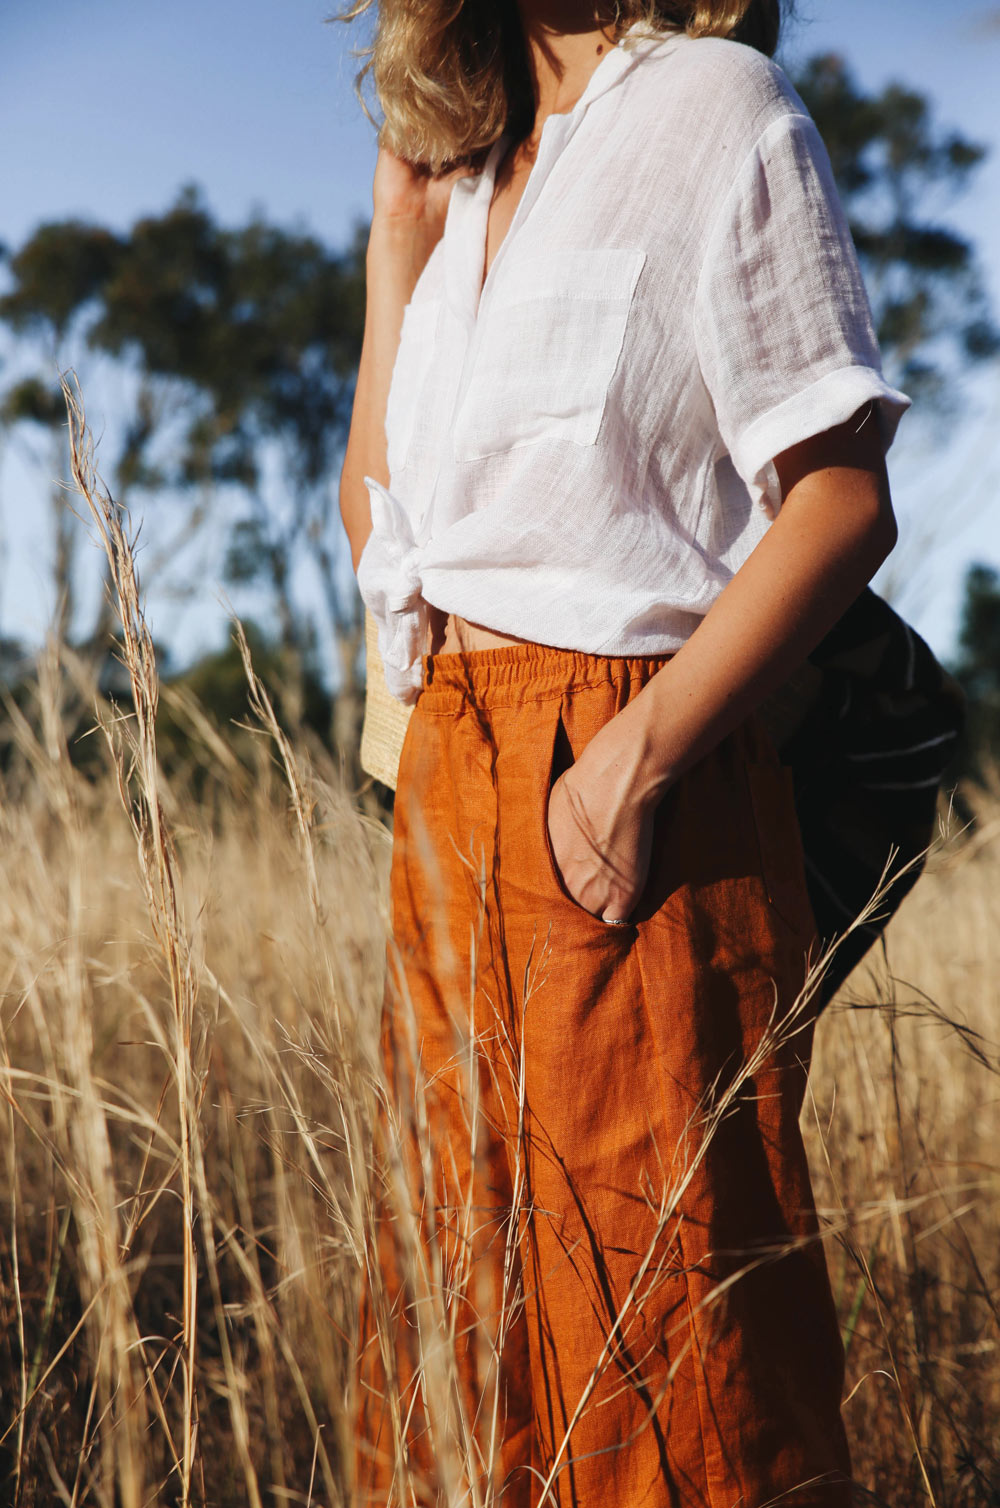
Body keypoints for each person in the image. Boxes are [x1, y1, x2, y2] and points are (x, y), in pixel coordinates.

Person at [338, 1, 909, 1503]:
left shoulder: (715, 102)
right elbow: (383, 536)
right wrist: (399, 235)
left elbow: (843, 497)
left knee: (674, 1368)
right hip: (447, 775)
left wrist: (636, 760)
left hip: (622, 762)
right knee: (459, 1345)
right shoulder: (467, 180)